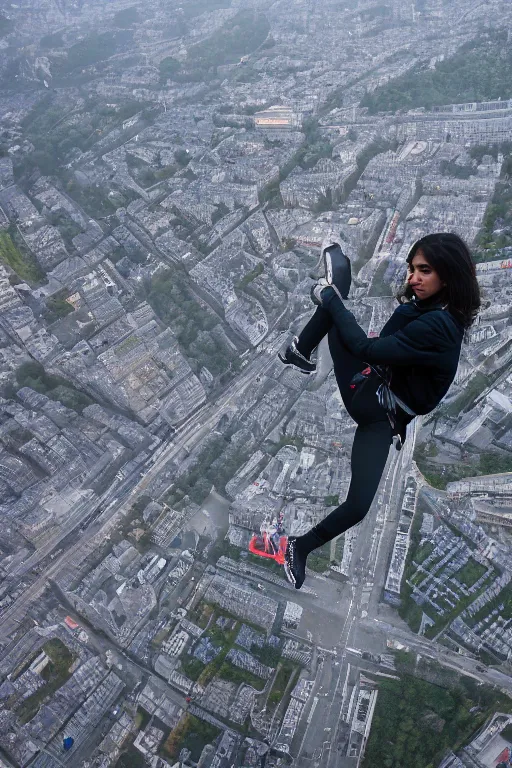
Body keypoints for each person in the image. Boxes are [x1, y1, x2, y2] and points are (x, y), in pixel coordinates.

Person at [279, 233, 481, 589]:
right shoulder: (442, 313)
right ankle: (312, 328)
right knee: (357, 506)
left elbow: (362, 346)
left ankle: (316, 318)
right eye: (411, 269)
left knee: (358, 506)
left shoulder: (437, 323)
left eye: (424, 271)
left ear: (447, 276)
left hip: (378, 407)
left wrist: (328, 299)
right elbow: (367, 347)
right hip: (372, 399)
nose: (412, 278)